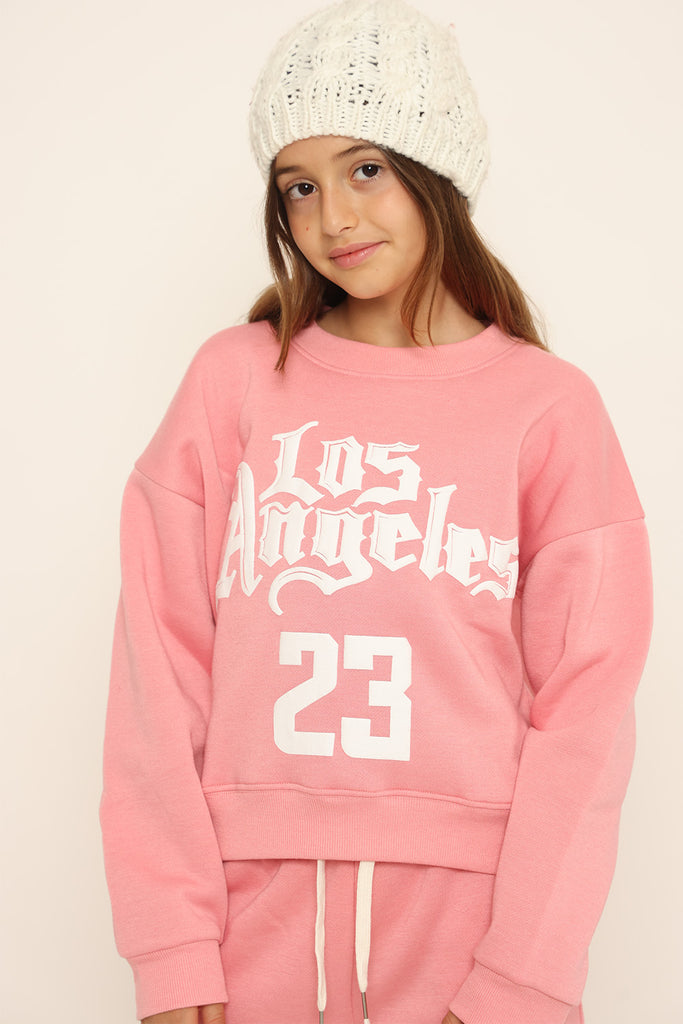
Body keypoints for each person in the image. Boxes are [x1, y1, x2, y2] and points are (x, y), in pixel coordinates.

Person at [100, 1, 652, 1023]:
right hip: (245, 907)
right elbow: (157, 668)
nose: (333, 220)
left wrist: (522, 977)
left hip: (471, 917)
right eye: (299, 186)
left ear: (434, 171)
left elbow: (585, 711)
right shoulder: (234, 382)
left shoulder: (546, 408)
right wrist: (171, 944)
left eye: (365, 169)